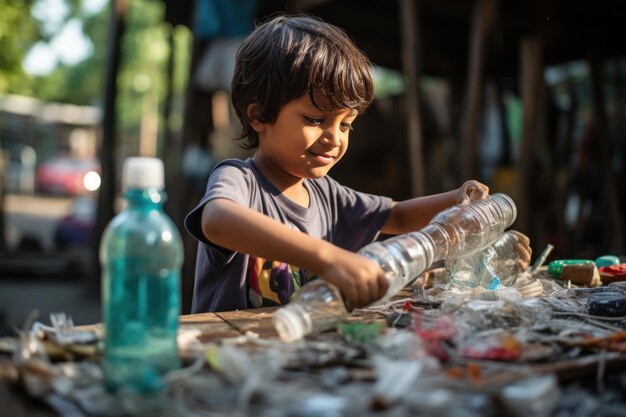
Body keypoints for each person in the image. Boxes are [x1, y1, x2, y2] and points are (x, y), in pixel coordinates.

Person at [185, 14, 528, 313]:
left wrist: (458, 201)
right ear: (259, 115)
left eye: (345, 124)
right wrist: (328, 258)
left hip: (288, 359)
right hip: (224, 355)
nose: (334, 138)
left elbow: (397, 216)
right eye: (315, 119)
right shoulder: (240, 180)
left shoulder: (327, 196)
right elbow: (216, 220)